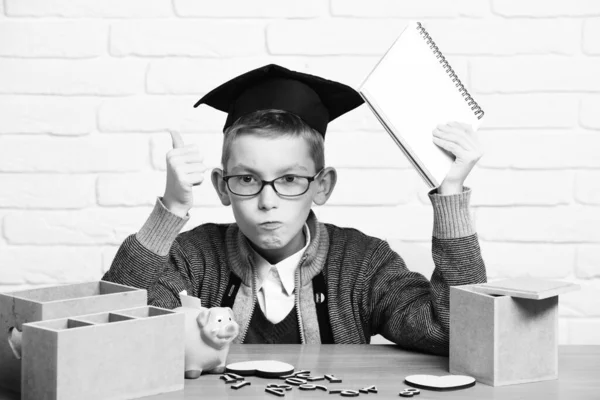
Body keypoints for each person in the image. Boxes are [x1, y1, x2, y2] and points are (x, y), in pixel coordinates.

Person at [102, 64, 486, 354]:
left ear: (322, 186)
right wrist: (169, 210)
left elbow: (451, 332)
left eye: (289, 180)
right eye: (248, 180)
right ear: (222, 186)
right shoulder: (193, 258)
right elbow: (115, 325)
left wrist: (450, 196)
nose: (267, 201)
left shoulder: (364, 263)